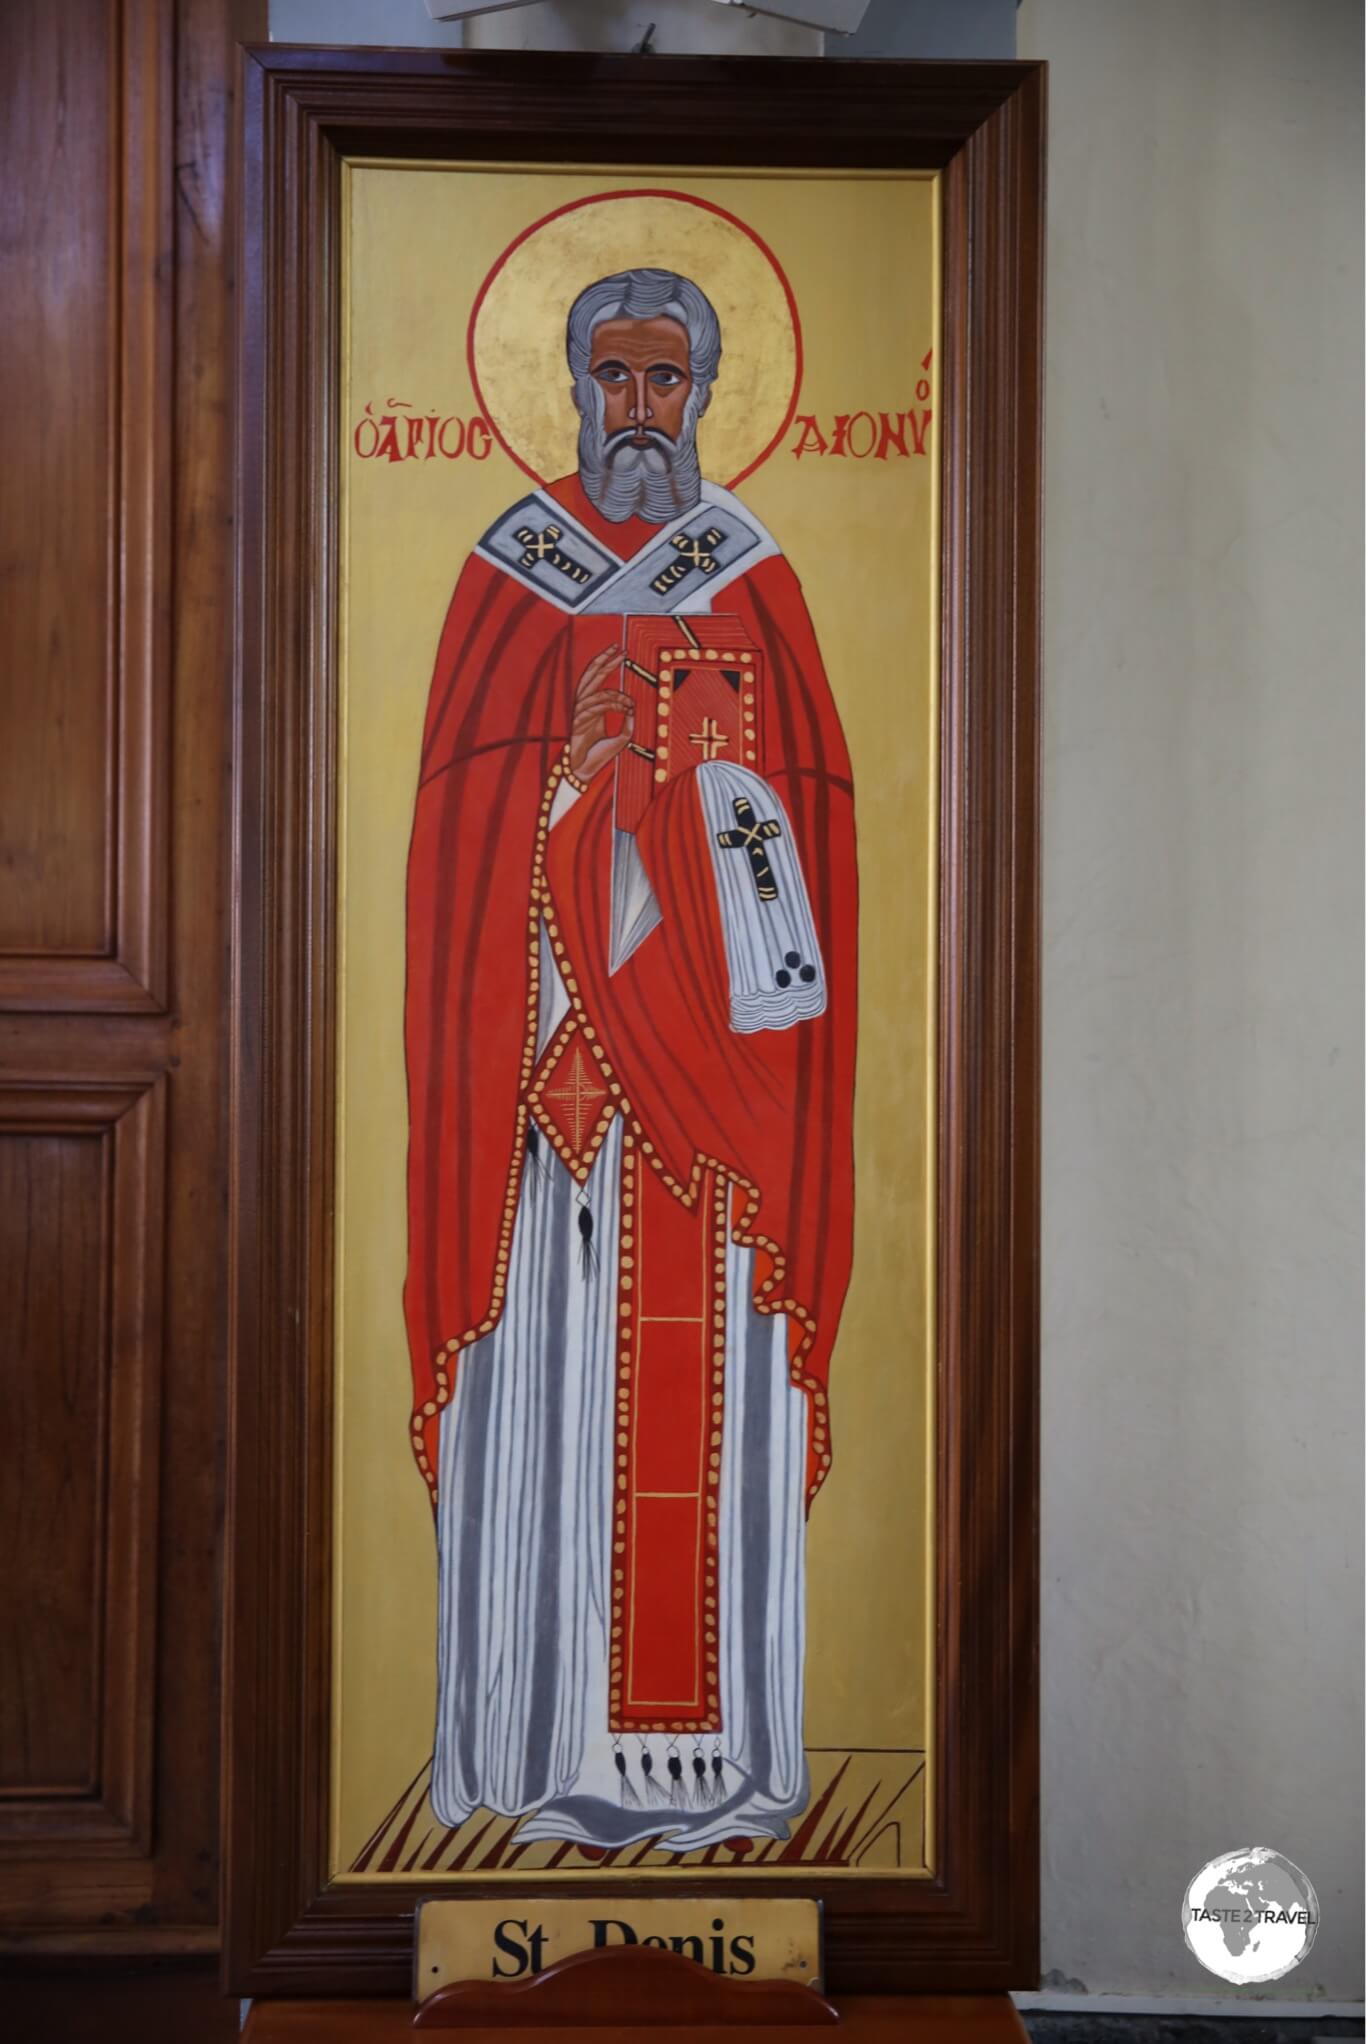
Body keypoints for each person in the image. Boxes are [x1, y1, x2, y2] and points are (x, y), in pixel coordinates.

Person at [404, 267, 857, 1849]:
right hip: (540, 1087)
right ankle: (534, 1741)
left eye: (668, 382)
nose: (639, 411)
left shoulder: (751, 576)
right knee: (548, 1402)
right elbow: (454, 829)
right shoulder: (509, 573)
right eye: (614, 378)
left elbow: (803, 826)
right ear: (574, 387)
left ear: (708, 395)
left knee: (698, 1403)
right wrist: (558, 788)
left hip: (708, 1100)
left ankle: (708, 1755)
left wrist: (673, 799)